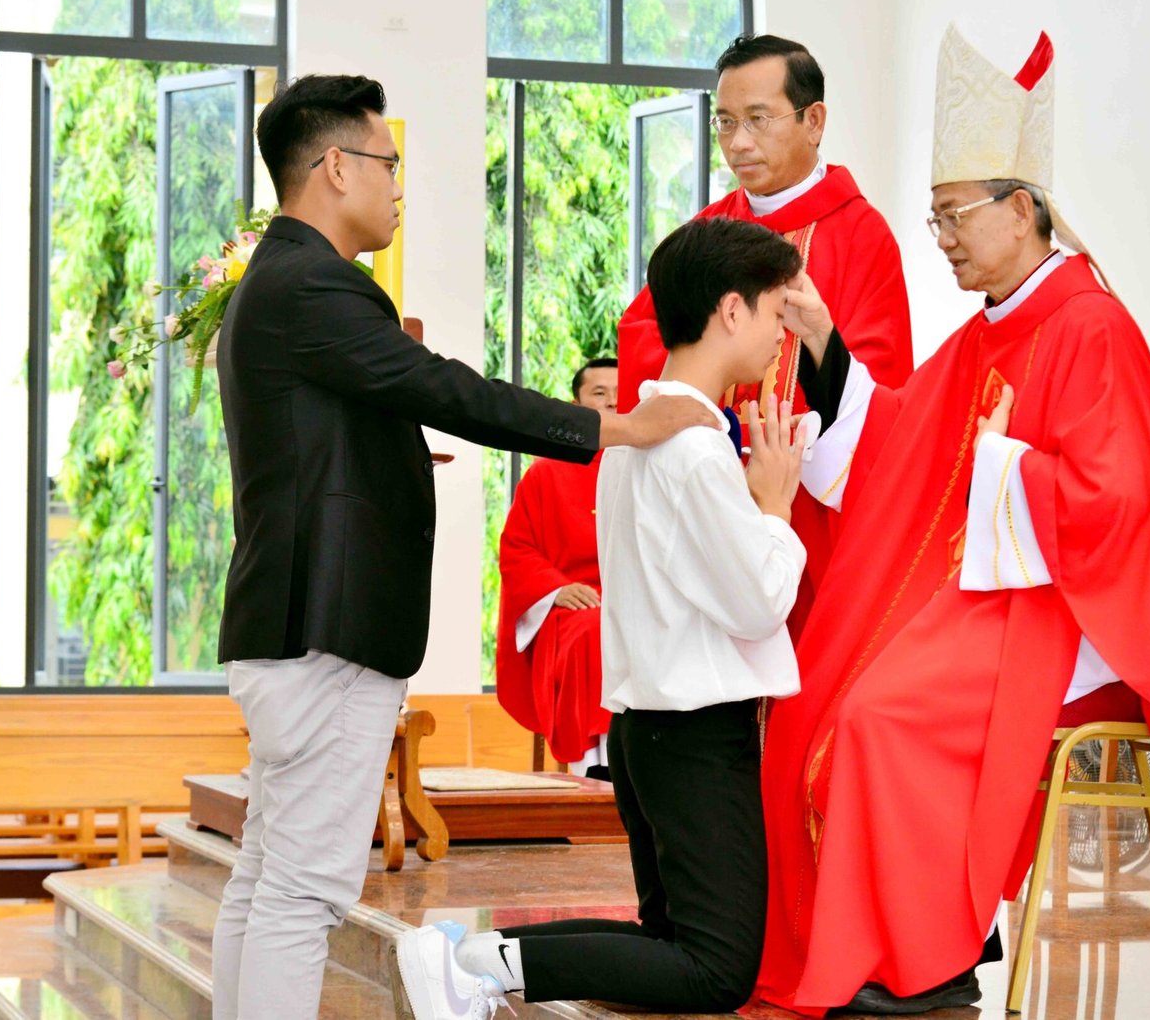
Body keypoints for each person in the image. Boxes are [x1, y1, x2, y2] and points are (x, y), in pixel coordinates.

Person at [208, 75, 715, 1020]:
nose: (398, 185)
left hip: (292, 621)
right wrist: (617, 427)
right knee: (302, 891)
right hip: (326, 628)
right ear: (335, 167)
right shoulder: (314, 283)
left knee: (270, 873)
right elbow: (450, 390)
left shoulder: (278, 280)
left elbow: (337, 438)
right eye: (388, 163)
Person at [752, 27, 1150, 1015]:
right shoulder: (988, 332)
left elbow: (1113, 507)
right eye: (933, 220)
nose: (944, 239)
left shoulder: (1090, 325)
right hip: (996, 596)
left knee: (882, 718)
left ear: (1020, 208)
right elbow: (899, 445)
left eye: (955, 216)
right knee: (815, 698)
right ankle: (886, 940)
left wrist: (1003, 469)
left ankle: (930, 963)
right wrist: (826, 344)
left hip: (1079, 611)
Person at [399, 218, 811, 1019]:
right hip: (694, 729)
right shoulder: (693, 444)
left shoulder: (640, 430)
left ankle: (471, 956)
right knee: (715, 970)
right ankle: (485, 968)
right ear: (731, 310)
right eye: (774, 310)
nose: (780, 332)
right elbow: (758, 603)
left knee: (673, 938)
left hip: (648, 728)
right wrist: (775, 507)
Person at [617, 34, 914, 632]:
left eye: (758, 119)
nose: (738, 143)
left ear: (814, 121)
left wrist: (782, 437)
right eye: (725, 122)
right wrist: (715, 428)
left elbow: (878, 389)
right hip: (706, 500)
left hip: (809, 510)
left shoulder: (862, 235)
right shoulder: (708, 232)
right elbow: (643, 333)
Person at [494, 357, 619, 775]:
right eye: (599, 394)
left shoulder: (649, 467)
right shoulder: (546, 473)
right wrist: (556, 589)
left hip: (634, 600)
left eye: (620, 395)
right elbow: (517, 548)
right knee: (594, 630)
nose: (612, 403)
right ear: (576, 406)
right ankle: (596, 765)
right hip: (572, 608)